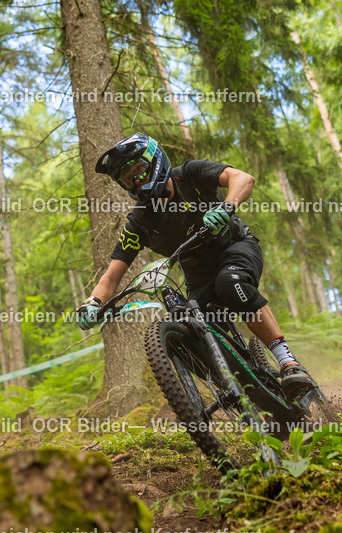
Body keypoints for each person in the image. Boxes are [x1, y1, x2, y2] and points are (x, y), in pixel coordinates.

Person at [75, 132, 316, 398]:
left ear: (154, 159)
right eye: (128, 177)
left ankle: (288, 363)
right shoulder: (140, 222)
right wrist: (93, 303)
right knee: (189, 338)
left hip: (234, 248)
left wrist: (227, 206)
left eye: (140, 169)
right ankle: (254, 399)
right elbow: (111, 277)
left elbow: (243, 179)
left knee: (230, 283)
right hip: (199, 279)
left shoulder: (189, 174)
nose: (137, 179)